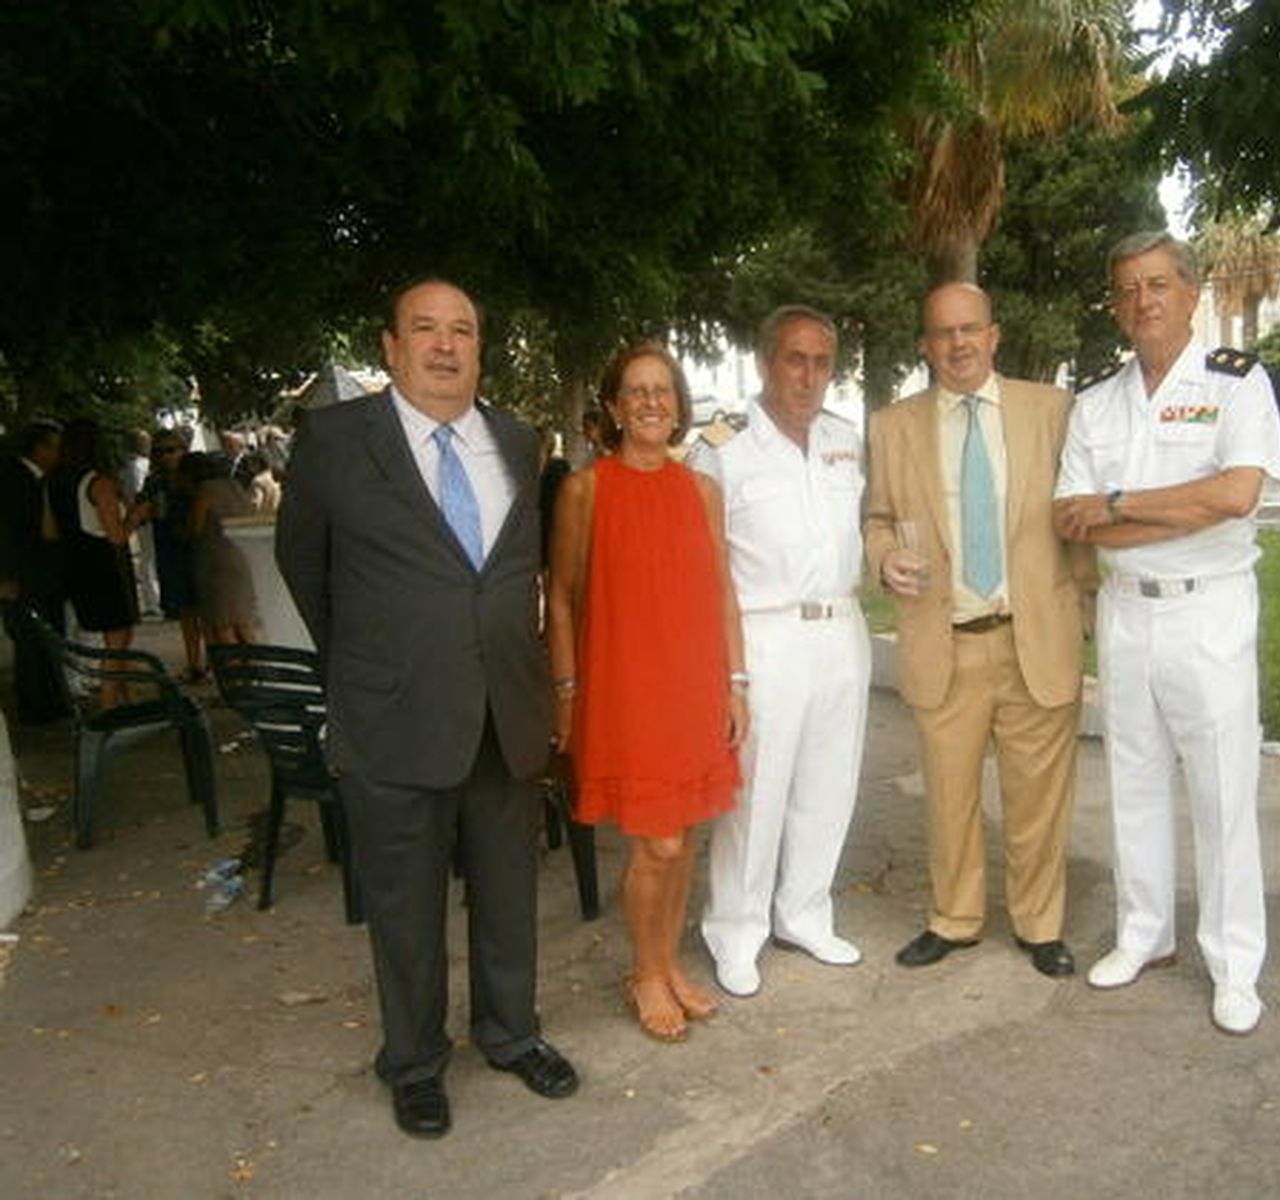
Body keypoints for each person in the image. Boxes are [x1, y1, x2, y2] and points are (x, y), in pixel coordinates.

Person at [276, 277, 577, 1139]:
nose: (445, 345)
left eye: (463, 330)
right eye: (425, 328)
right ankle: (412, 1062)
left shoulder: (516, 439)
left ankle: (511, 1034)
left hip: (504, 711)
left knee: (508, 889)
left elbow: (511, 573)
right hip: (393, 715)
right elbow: (306, 567)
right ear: (391, 346)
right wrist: (373, 666)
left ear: (480, 348)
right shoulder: (336, 440)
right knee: (404, 905)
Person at [1053, 230, 1280, 1037]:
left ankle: (1234, 964)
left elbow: (1236, 494)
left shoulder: (1236, 381)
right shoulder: (1096, 401)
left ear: (1191, 293)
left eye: (1157, 284)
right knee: (1135, 779)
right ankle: (1143, 935)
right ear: (1115, 306)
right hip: (1126, 612)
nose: (1143, 300)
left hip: (1208, 610)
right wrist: (1173, 506)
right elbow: (1073, 518)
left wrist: (1120, 504)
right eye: (1127, 288)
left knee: (1222, 792)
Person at [864, 282, 1095, 979]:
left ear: (993, 336)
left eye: (970, 329)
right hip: (947, 642)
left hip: (1035, 638)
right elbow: (877, 519)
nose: (958, 342)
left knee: (1038, 801)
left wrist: (1084, 610)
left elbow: (1079, 512)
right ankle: (954, 919)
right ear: (925, 346)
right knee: (949, 797)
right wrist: (883, 556)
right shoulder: (893, 426)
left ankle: (1039, 924)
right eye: (943, 332)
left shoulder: (1051, 410)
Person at [545, 342, 747, 1042]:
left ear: (679, 405)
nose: (652, 401)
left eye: (663, 390)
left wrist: (736, 685)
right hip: (625, 691)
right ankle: (643, 972)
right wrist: (565, 692)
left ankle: (667, 965)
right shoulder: (586, 489)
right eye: (636, 390)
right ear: (614, 406)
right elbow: (560, 597)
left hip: (694, 686)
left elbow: (723, 591)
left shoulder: (702, 491)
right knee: (656, 845)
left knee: (683, 839)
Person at [692, 306, 870, 998]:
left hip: (841, 627)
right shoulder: (723, 445)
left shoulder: (844, 439)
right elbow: (704, 566)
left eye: (822, 362)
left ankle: (804, 913)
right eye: (795, 359)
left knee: (828, 784)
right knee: (757, 794)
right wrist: (727, 672)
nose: (809, 375)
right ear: (767, 363)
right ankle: (736, 930)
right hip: (766, 632)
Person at [51, 417, 140, 708]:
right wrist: (136, 517)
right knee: (118, 638)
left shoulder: (53, 481)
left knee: (109, 634)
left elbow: (49, 530)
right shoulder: (99, 482)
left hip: (74, 560)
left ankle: (123, 697)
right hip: (104, 564)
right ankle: (110, 703)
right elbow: (116, 535)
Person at [0, 419, 71, 723]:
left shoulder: (35, 479)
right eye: (55, 447)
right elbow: (5, 530)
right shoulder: (12, 478)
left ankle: (49, 701)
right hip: (22, 573)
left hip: (39, 571)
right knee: (31, 639)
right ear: (40, 448)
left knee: (45, 637)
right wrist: (6, 576)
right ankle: (37, 706)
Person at [139, 430, 207, 681]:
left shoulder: (196, 478)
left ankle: (220, 665)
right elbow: (141, 510)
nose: (166, 456)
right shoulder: (154, 482)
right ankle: (195, 664)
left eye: (171, 450)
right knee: (185, 612)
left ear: (183, 450)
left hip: (197, 549)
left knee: (208, 612)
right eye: (159, 452)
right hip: (170, 551)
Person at [182, 452, 259, 645]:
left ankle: (233, 663)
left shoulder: (205, 490)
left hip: (216, 562)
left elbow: (196, 527)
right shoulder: (235, 486)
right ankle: (255, 661)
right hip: (241, 556)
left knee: (223, 625)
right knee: (243, 622)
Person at [120, 429, 161, 617]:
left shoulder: (128, 467)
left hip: (143, 517)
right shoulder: (137, 466)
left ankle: (153, 598)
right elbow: (138, 494)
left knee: (148, 558)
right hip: (147, 518)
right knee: (149, 559)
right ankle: (153, 600)